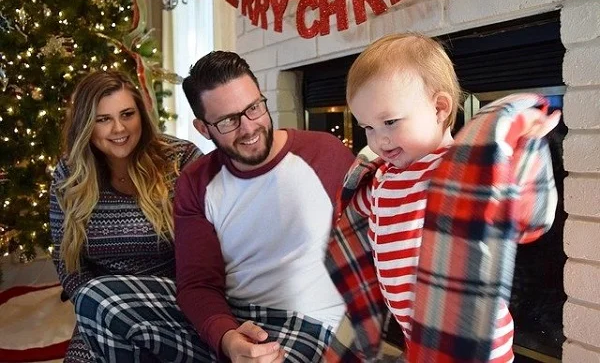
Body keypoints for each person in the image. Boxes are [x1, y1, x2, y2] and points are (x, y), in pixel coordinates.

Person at [70, 52, 355, 363]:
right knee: (97, 297)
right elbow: (197, 283)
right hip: (232, 315)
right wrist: (227, 337)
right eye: (228, 120)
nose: (248, 128)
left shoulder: (324, 153)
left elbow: (373, 248)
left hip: (307, 322)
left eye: (254, 108)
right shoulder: (196, 180)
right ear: (203, 128)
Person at [323, 33, 561, 362]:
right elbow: (354, 219)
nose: (380, 139)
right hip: (418, 332)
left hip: (477, 343)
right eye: (368, 127)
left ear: (439, 108)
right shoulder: (383, 177)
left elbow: (524, 216)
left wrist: (524, 150)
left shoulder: (457, 170)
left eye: (390, 122)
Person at [49, 71, 202, 363]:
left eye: (127, 114)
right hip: (101, 306)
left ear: (141, 115)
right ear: (86, 126)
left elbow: (213, 244)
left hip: (176, 302)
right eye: (103, 119)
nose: (119, 128)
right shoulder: (69, 173)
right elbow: (64, 258)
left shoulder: (181, 158)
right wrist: (93, 309)